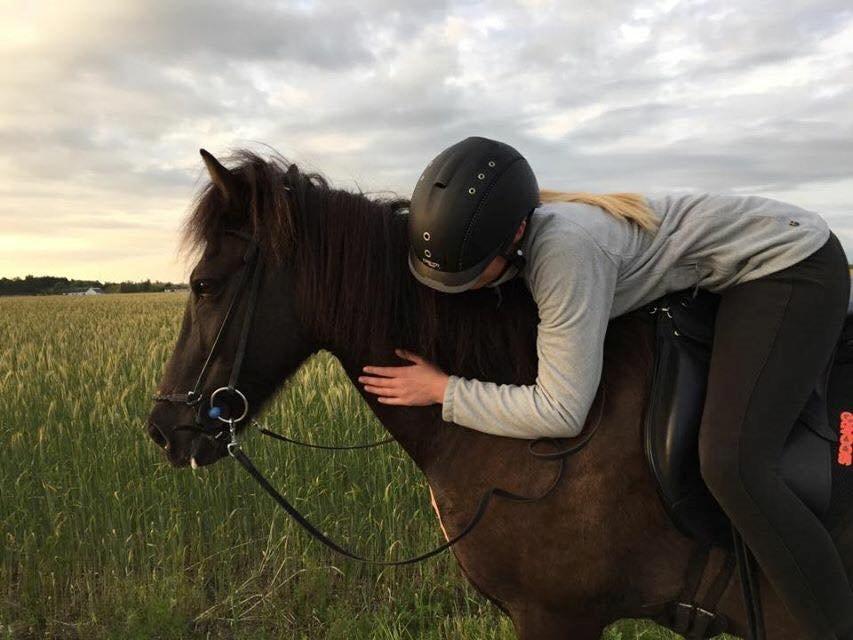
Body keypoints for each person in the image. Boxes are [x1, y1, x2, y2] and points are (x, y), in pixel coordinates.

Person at [358, 135, 853, 638]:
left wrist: (445, 391)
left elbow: (561, 411)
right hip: (729, 271)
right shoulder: (520, 232)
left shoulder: (565, 252)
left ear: (515, 235)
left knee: (733, 463)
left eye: (471, 274)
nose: (463, 289)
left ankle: (831, 622)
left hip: (788, 266)